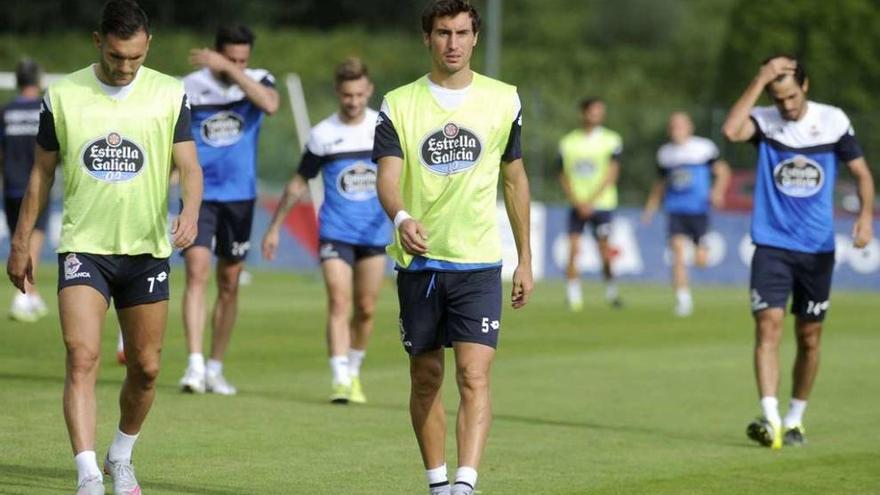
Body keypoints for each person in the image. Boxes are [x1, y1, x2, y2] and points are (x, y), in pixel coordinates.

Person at [6, 1, 203, 493]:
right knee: (81, 355)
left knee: (148, 368)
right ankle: (89, 474)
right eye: (117, 56)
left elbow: (191, 166)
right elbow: (41, 172)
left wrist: (191, 210)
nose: (125, 67)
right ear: (99, 42)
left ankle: (120, 454)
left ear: (148, 46)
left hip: (146, 250)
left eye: (135, 58)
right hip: (83, 246)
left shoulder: (169, 93)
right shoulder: (64, 94)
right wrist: (20, 240)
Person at [374, 2, 533, 494]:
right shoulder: (398, 103)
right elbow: (387, 177)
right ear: (427, 38)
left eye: (462, 33)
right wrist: (401, 217)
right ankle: (438, 483)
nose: (453, 43)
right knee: (425, 378)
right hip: (420, 263)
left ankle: (465, 484)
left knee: (473, 375)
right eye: (443, 33)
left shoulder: (504, 99)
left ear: (475, 38)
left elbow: (514, 180)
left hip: (479, 261)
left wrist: (525, 259)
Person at [722, 55, 874, 449]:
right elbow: (731, 129)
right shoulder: (764, 120)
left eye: (790, 97)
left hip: (817, 248)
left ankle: (795, 418)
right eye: (778, 98)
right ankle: (770, 419)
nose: (786, 106)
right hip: (772, 243)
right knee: (767, 326)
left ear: (805, 87)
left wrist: (865, 218)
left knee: (809, 336)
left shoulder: (833, 120)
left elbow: (861, 174)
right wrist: (760, 79)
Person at [262, 57, 390, 404]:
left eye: (359, 94)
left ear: (369, 91)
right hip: (335, 231)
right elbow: (297, 183)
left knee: (365, 308)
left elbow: (403, 174)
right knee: (338, 300)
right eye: (347, 95)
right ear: (338, 92)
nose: (353, 101)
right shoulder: (322, 135)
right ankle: (338, 379)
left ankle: (354, 371)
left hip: (376, 233)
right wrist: (274, 227)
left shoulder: (384, 127)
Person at [178, 23, 279, 395]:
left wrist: (234, 71)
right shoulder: (189, 86)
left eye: (243, 58)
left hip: (240, 198)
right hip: (200, 195)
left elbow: (269, 104)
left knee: (229, 282)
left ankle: (216, 367)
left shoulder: (258, 79)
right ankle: (194, 365)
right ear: (216, 52)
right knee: (197, 271)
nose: (238, 64)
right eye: (230, 57)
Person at [642, 112, 731, 316]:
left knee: (701, 261)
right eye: (673, 127)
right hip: (675, 210)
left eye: (680, 126)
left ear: (689, 127)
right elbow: (660, 184)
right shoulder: (665, 154)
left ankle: (701, 247)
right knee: (678, 255)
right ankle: (683, 300)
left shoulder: (703, 148)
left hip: (699, 210)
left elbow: (723, 171)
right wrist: (650, 209)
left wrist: (717, 191)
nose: (676, 131)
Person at [558, 97, 624, 310]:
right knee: (573, 249)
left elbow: (611, 174)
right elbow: (563, 175)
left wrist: (591, 201)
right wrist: (578, 201)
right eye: (593, 111)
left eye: (600, 111)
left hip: (602, 204)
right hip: (577, 205)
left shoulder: (612, 140)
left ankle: (611, 291)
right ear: (584, 113)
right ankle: (573, 297)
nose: (597, 115)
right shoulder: (568, 142)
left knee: (604, 251)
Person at [1, 58, 50, 322]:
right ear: (38, 80)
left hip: (10, 185)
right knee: (34, 241)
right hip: (37, 185)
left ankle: (32, 295)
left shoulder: (6, 111)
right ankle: (22, 295)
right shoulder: (45, 109)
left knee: (17, 239)